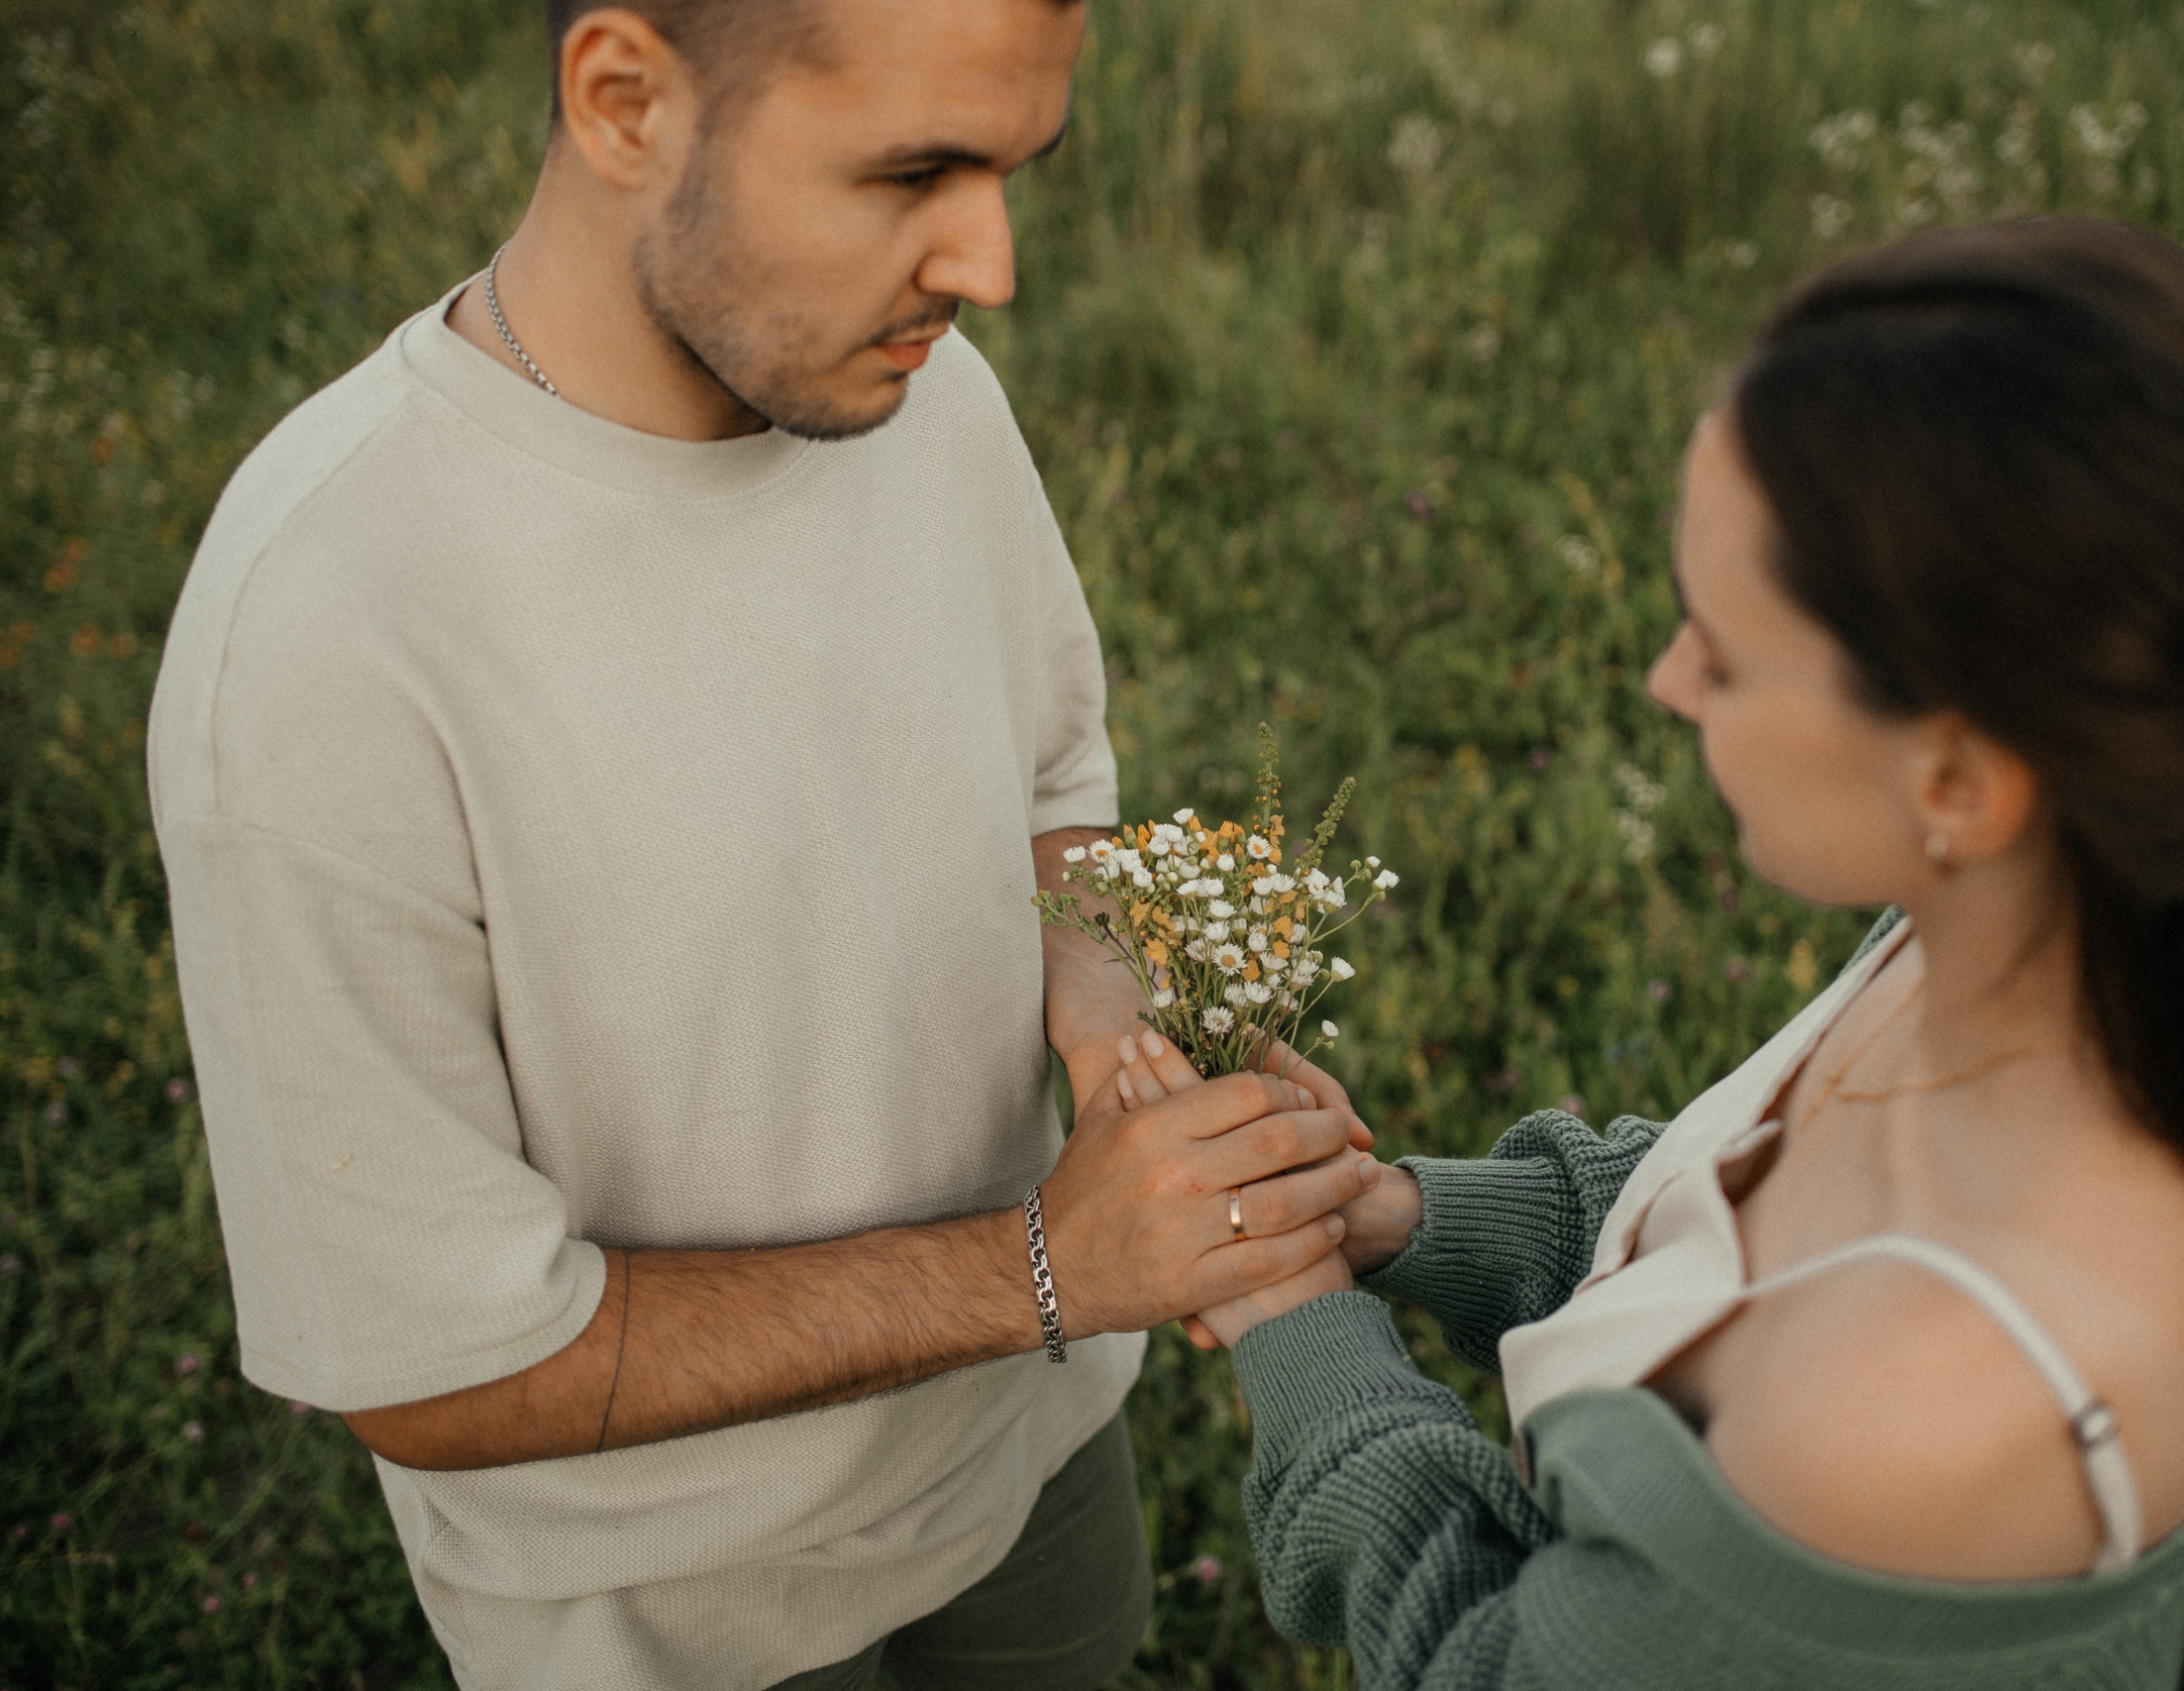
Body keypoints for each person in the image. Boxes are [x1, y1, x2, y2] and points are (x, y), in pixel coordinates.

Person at [146, 3, 1376, 1688]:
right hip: (673, 1615)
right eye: (912, 173)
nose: (991, 266)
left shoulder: (913, 390)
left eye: (1013, 170)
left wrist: (1119, 1030)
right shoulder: (324, 629)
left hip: (1027, 1470)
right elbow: (432, 1369)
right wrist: (1044, 1262)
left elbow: (1046, 777)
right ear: (625, 99)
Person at [1114, 218, 2184, 1689]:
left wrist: (1304, 1328)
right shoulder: (1992, 950)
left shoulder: (1914, 1405)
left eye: (1723, 650)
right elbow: (1723, 1231)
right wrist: (1397, 1215)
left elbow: (1482, 1662)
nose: (1664, 679)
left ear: (1958, 780)